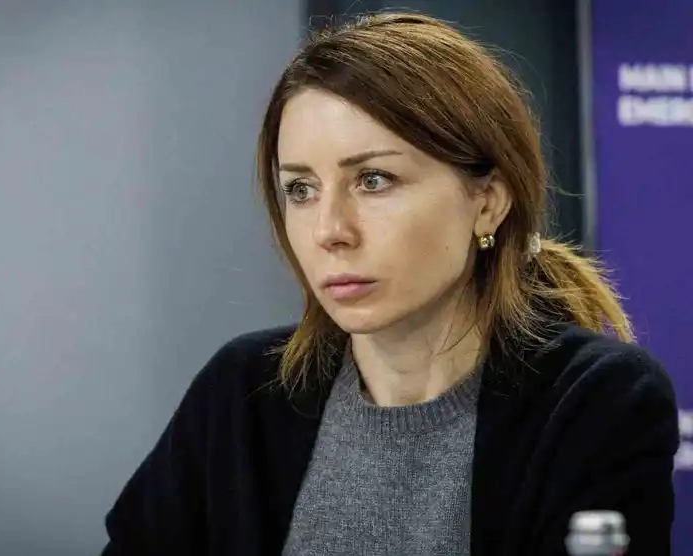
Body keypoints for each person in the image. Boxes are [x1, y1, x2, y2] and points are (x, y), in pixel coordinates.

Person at [101, 12, 679, 556]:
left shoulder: (596, 402)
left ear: (487, 203)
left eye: (374, 180)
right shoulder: (241, 393)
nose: (329, 231)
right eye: (301, 189)